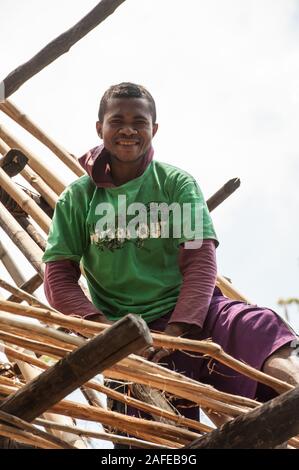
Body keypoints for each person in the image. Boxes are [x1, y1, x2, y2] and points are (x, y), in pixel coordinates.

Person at [43, 82, 299, 420]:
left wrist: (177, 331)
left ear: (154, 129)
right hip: (128, 335)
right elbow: (58, 277)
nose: (128, 130)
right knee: (148, 425)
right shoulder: (78, 198)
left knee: (256, 327)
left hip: (195, 314)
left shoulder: (176, 185)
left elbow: (199, 259)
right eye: (117, 120)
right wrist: (107, 331)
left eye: (140, 121)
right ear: (99, 128)